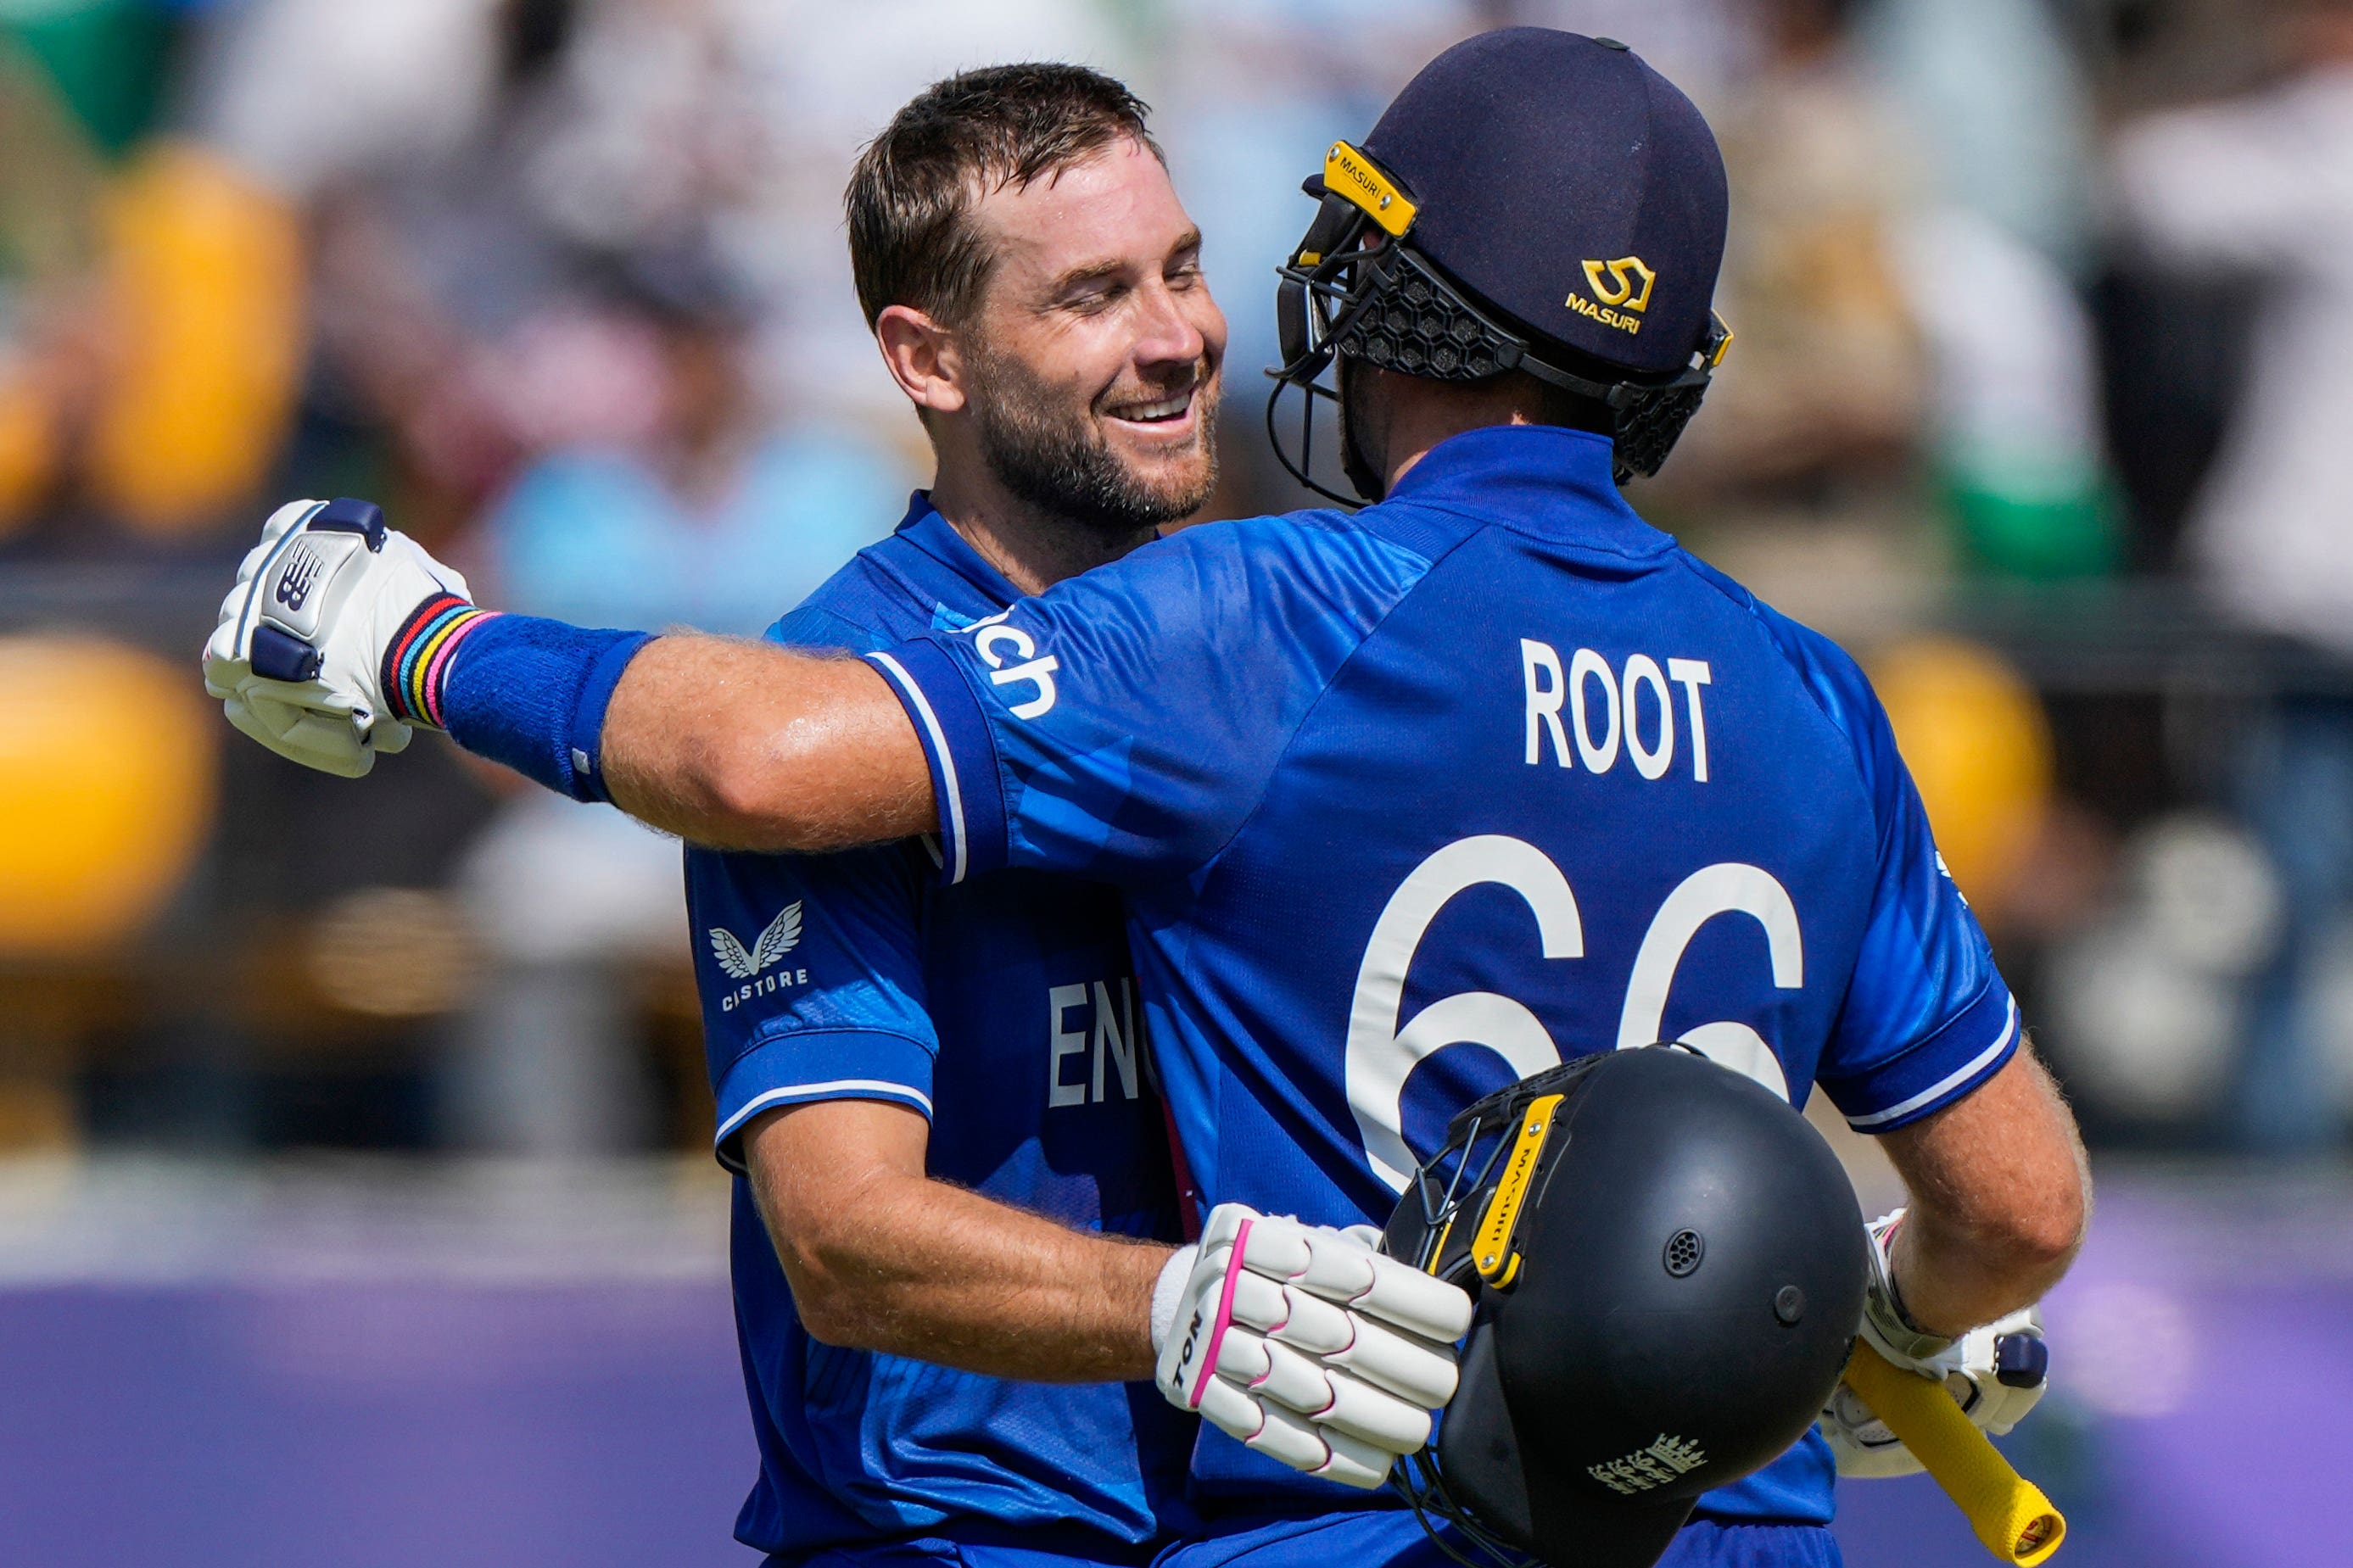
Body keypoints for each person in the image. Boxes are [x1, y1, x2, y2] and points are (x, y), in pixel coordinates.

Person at [204, 29, 2092, 1568]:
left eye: (1183, 270)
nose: (1180, 335)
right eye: (1095, 293)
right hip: (966, 1536)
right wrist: (1810, 1325)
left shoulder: (1262, 620)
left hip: (1358, 1534)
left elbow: (749, 757)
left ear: (1373, 303)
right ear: (923, 357)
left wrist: (424, 642)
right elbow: (844, 1231)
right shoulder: (1807, 688)